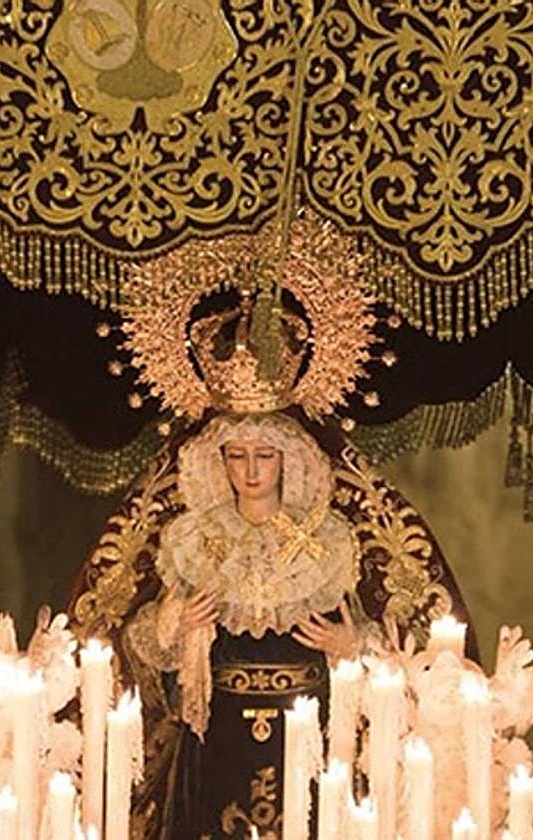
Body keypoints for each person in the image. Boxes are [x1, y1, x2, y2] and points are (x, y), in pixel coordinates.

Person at [68, 264, 475, 838]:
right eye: (237, 456)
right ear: (219, 460)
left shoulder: (328, 540)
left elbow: (387, 644)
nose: (251, 471)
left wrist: (350, 646)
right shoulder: (191, 540)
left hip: (311, 730)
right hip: (217, 737)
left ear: (290, 460)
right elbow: (132, 648)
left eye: (265, 457)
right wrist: (171, 625)